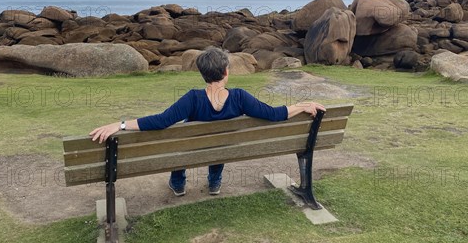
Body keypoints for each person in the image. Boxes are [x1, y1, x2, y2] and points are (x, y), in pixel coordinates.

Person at [89, 47, 325, 197]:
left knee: (181, 142)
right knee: (219, 143)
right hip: (223, 150)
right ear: (226, 72)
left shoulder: (192, 98)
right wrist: (304, 105)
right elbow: (275, 114)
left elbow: (160, 121)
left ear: (203, 74)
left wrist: (119, 125)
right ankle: (214, 183)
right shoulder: (240, 97)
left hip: (190, 151)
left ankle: (178, 184)